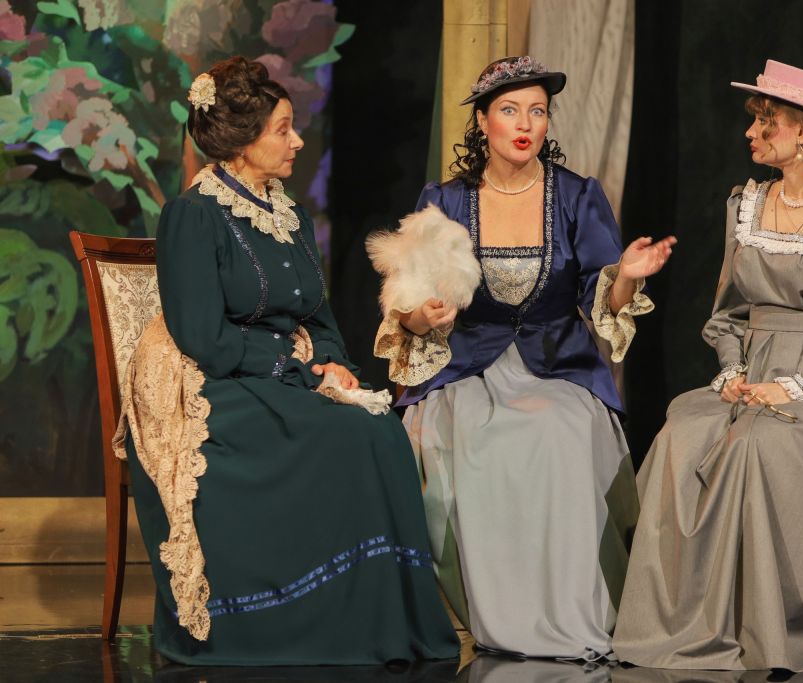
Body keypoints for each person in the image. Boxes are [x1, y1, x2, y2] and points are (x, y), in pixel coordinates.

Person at [114, 56, 460, 666]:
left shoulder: (289, 214)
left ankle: (373, 621)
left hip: (277, 365)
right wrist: (295, 369)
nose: (297, 140)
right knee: (337, 434)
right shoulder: (193, 215)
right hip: (207, 380)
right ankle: (293, 622)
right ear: (243, 141)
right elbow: (203, 337)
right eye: (282, 129)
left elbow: (316, 314)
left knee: (377, 427)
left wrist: (330, 362)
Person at [612, 60, 803, 671]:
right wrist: (732, 371)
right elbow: (727, 314)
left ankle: (769, 627)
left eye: (767, 120)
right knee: (682, 435)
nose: (751, 132)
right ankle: (684, 620)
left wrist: (794, 385)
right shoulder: (745, 204)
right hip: (752, 374)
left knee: (756, 446)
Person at [374, 56, 675, 660]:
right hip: (467, 363)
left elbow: (601, 297)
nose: (525, 124)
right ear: (483, 121)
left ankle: (566, 612)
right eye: (510, 110)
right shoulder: (446, 200)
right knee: (464, 438)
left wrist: (626, 276)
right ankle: (492, 613)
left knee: (559, 432)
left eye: (537, 111)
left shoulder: (578, 196)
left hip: (557, 361)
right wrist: (424, 315)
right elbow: (407, 306)